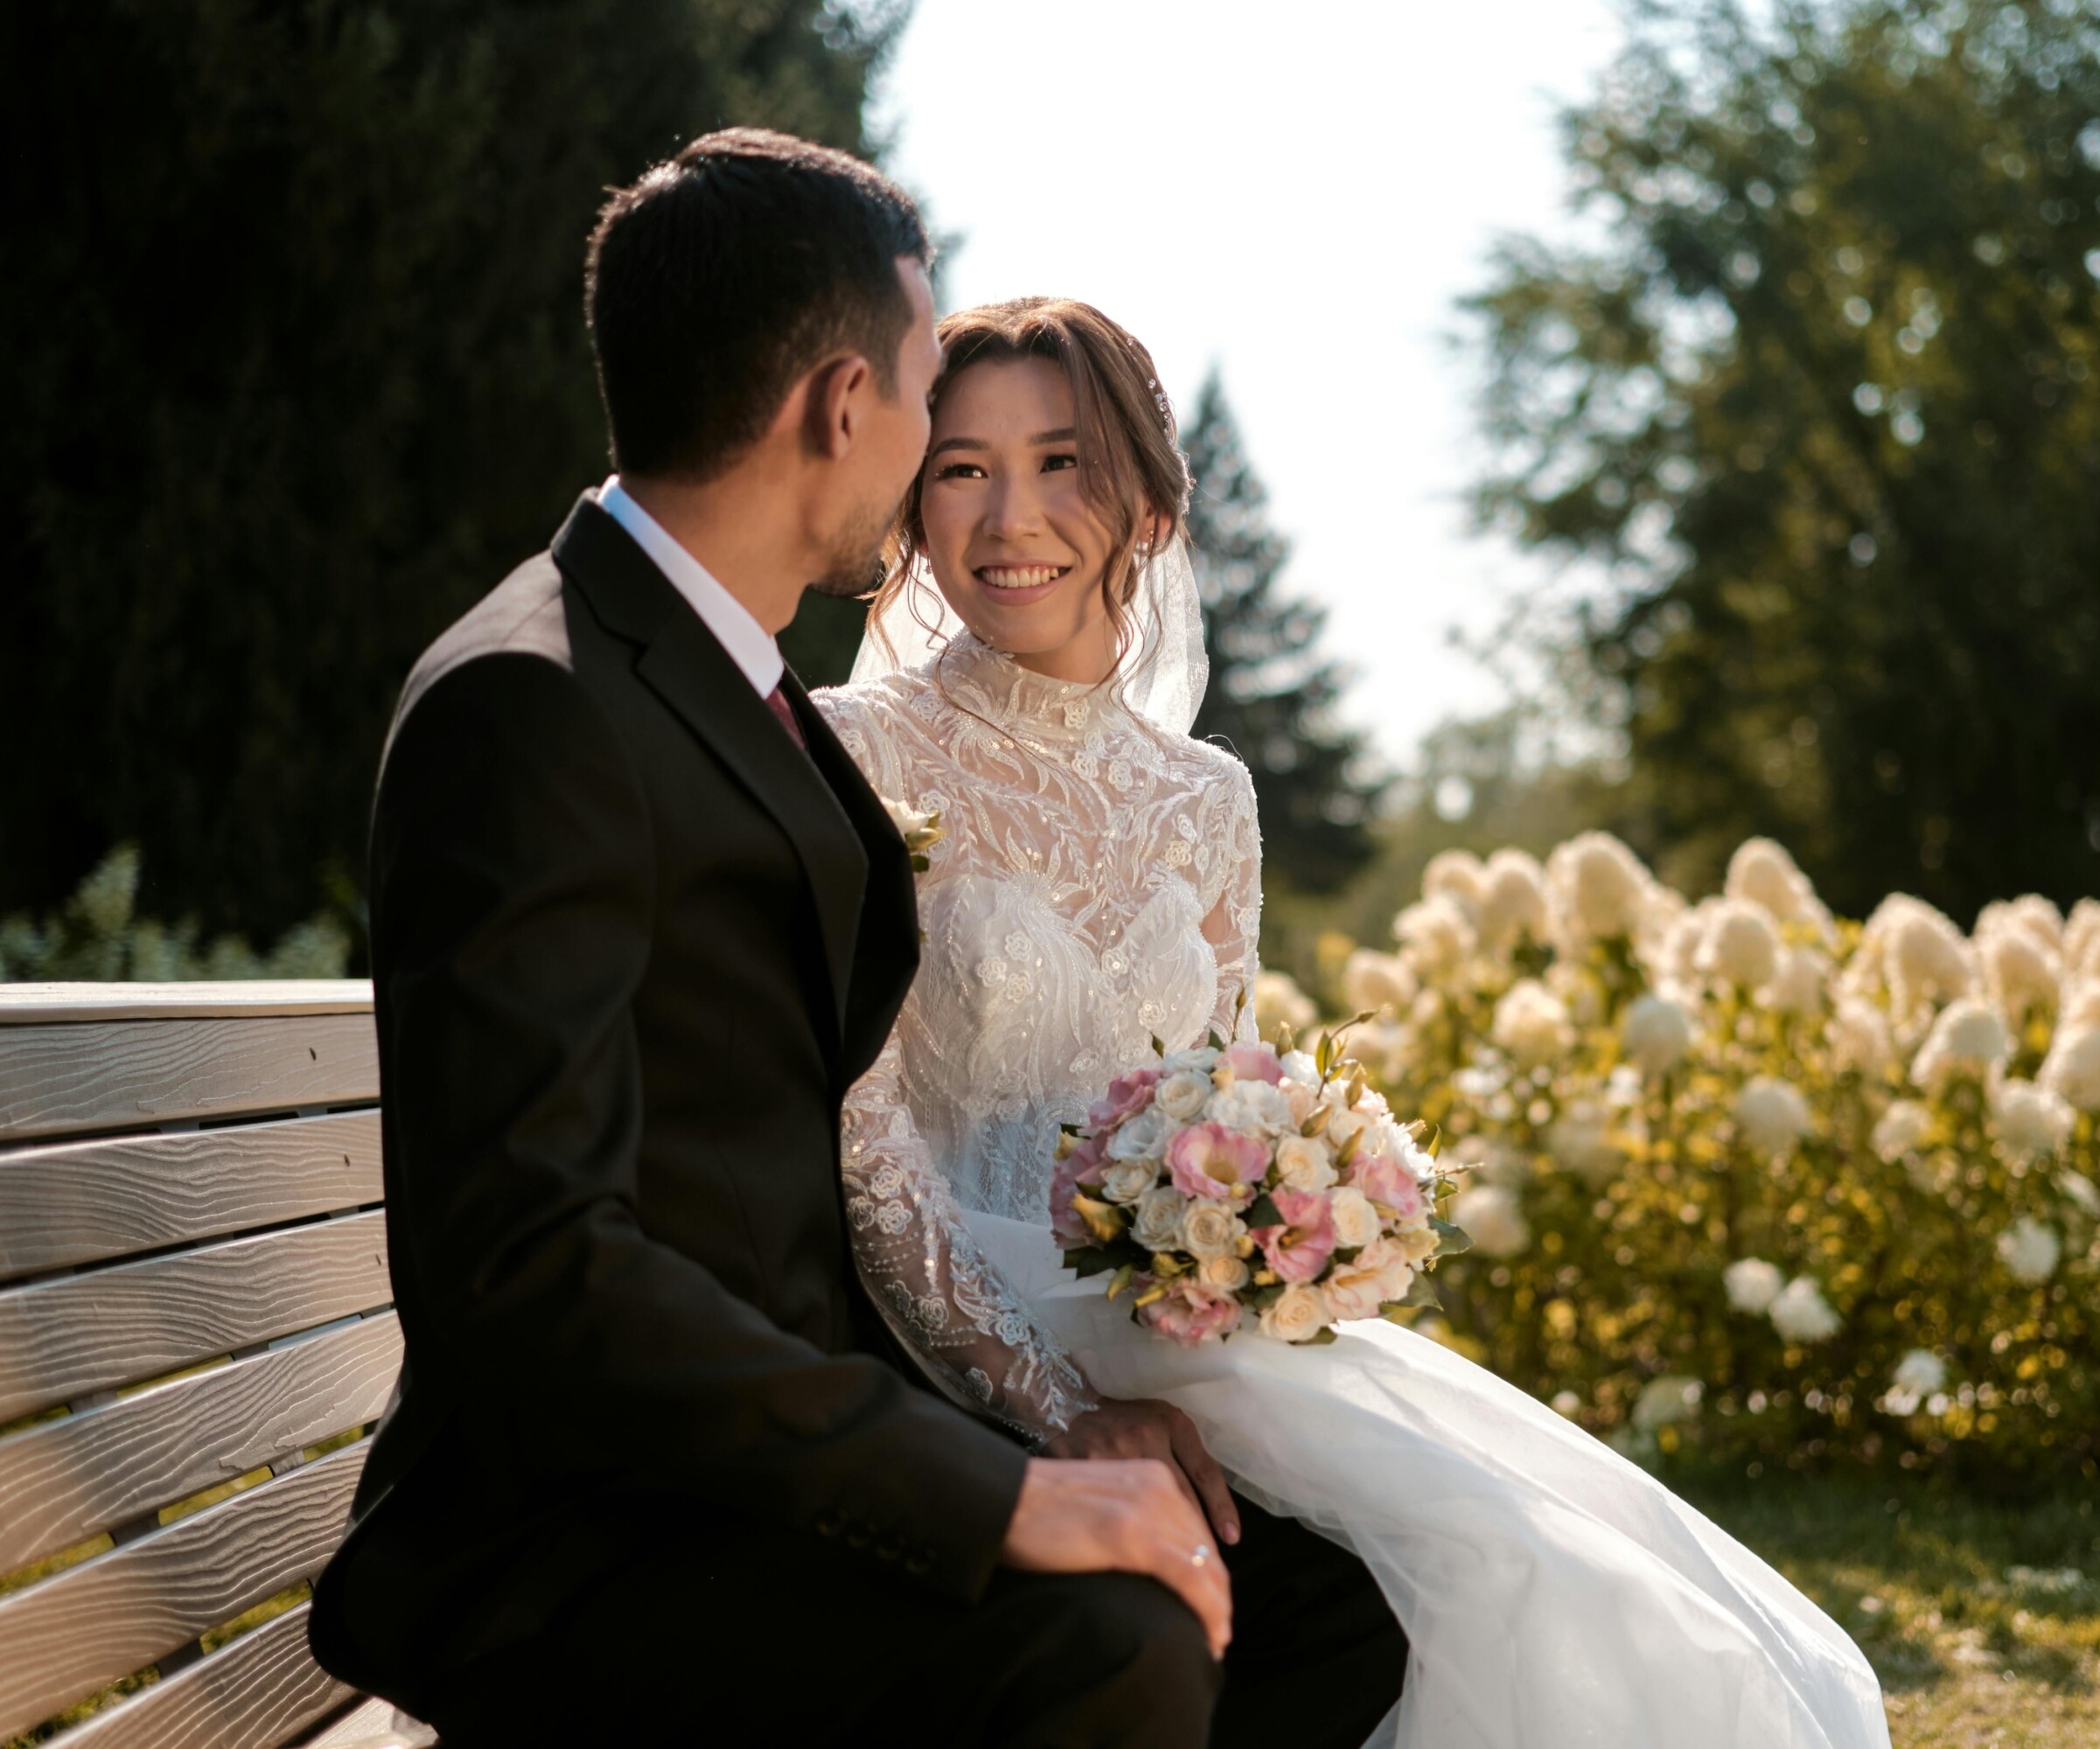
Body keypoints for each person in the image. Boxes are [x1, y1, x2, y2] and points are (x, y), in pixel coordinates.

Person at [310, 129, 1404, 1749]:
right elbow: (528, 1273)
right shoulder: (530, 704)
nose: (942, 477)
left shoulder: (715, 682)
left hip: (769, 1442)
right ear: (844, 408)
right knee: (1123, 1642)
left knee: (1327, 1616)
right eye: (925, 409)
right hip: (577, 1537)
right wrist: (992, 1489)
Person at [813, 296, 1894, 1748]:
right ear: (913, 501)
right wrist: (1058, 1405)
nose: (1014, 515)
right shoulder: (856, 749)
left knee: (1500, 1565)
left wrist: (1278, 1235)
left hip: (1173, 1346)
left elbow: (1197, 1114)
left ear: (1142, 499)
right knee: (1327, 1603)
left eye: (1064, 461)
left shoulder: (1208, 801)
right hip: (939, 1342)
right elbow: (860, 1141)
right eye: (963, 467)